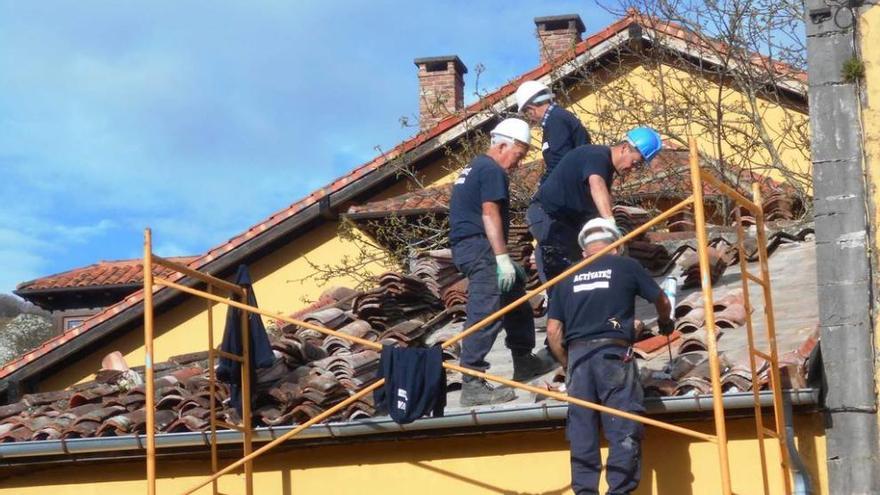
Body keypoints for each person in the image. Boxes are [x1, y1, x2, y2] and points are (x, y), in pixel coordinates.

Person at [546, 218, 675, 495]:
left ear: (584, 251)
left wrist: (568, 365)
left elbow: (553, 332)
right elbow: (662, 300)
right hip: (613, 355)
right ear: (616, 246)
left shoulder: (566, 276)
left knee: (582, 433)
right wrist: (665, 322)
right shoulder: (625, 266)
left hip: (578, 360)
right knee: (623, 427)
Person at [449, 117, 557, 406]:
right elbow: (489, 214)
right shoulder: (491, 170)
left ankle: (523, 360)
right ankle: (472, 382)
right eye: (518, 155)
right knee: (486, 311)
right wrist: (500, 258)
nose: (518, 163)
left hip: (473, 247)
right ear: (502, 145)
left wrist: (505, 260)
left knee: (514, 295)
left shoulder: (474, 167)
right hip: (479, 248)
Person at [527, 127, 663, 285]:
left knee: (580, 271)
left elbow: (595, 205)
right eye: (635, 162)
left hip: (565, 224)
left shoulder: (605, 170)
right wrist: (610, 223)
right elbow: (596, 184)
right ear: (625, 148)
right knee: (562, 275)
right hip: (547, 216)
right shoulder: (597, 156)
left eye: (637, 167)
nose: (632, 169)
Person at [515, 80, 591, 184]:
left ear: (531, 109)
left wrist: (543, 187)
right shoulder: (556, 118)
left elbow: (561, 158)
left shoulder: (555, 120)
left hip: (578, 183)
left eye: (526, 113)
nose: (530, 117)